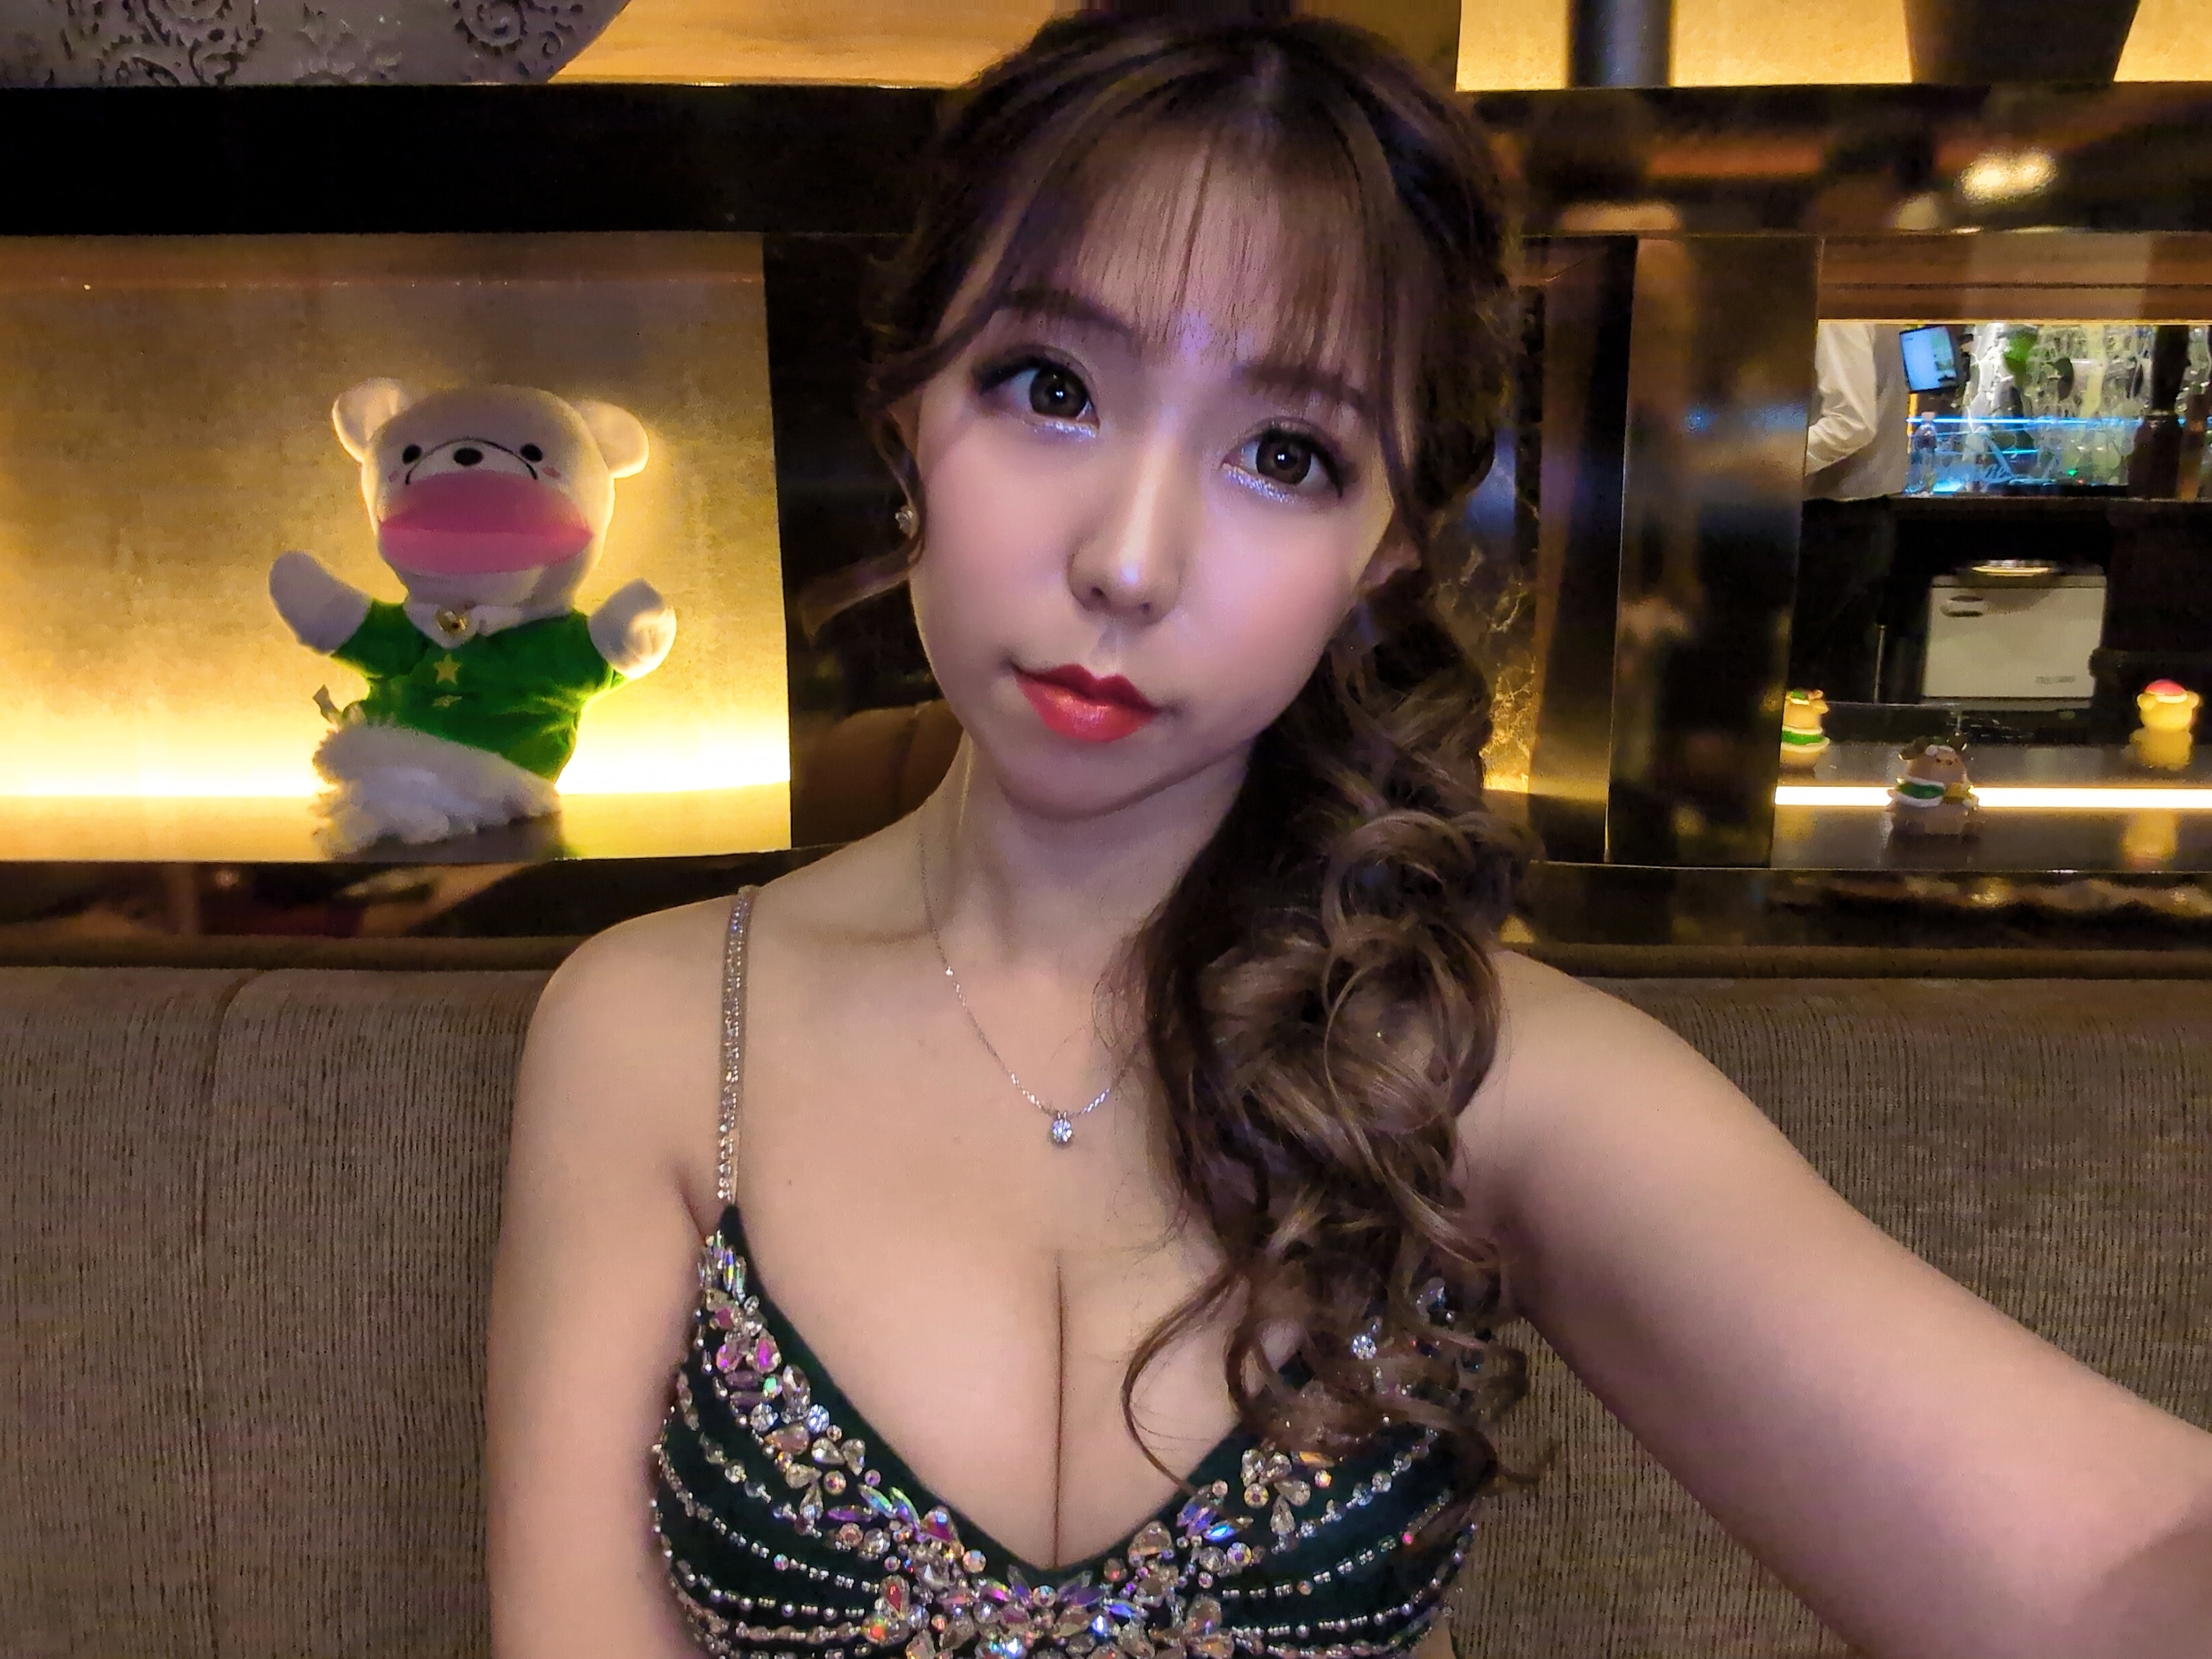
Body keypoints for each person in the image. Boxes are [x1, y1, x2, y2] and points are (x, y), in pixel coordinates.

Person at [484, 10, 2212, 1658]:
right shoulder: (655, 1029)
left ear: (1383, 548)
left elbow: (2104, 1562)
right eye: (1049, 384)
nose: (1130, 560)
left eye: (1287, 454)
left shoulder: (1477, 1069)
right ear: (908, 414)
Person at [1788, 320, 1909, 702]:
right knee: (1839, 672)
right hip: (1859, 518)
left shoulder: (1839, 314)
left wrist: (1772, 463)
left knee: (1807, 678)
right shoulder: (1875, 309)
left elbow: (1850, 423)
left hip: (1835, 521)